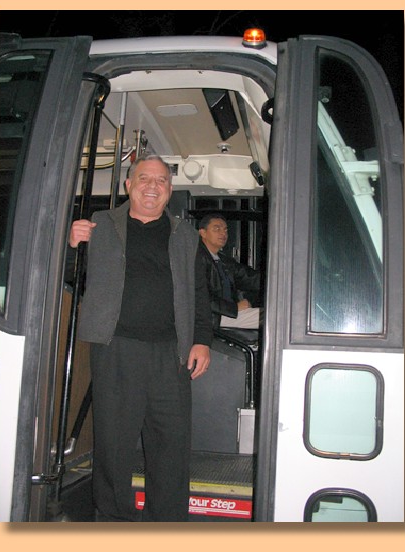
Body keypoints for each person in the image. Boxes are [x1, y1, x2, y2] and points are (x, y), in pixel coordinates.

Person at [69, 154, 212, 522]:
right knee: (114, 443)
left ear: (169, 190)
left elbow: (199, 293)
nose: (153, 186)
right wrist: (70, 244)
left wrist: (201, 340)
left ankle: (166, 523)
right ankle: (114, 521)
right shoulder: (100, 225)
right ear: (128, 185)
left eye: (161, 180)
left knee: (171, 444)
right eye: (145, 178)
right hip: (116, 348)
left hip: (172, 354)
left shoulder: (185, 235)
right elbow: (66, 276)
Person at [198, 213, 262, 330]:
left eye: (225, 230)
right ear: (203, 233)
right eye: (217, 229)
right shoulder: (196, 259)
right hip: (212, 317)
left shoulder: (224, 261)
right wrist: (234, 308)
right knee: (271, 317)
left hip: (227, 313)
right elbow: (200, 296)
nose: (223, 233)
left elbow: (251, 278)